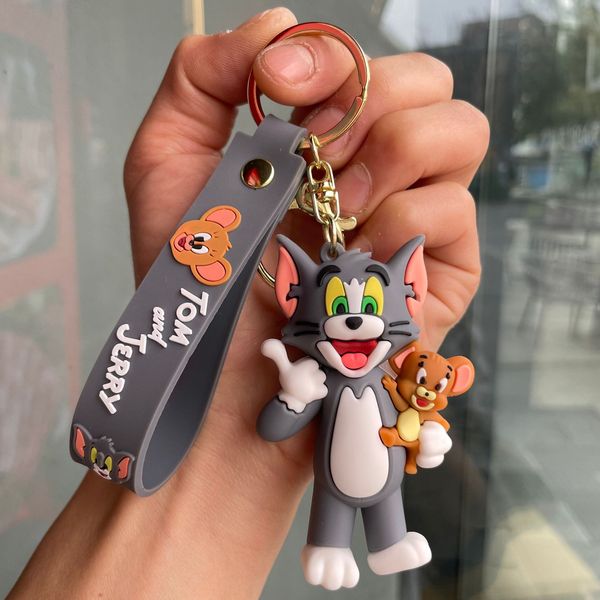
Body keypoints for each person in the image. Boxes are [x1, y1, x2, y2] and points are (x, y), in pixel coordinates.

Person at [9, 8, 488, 599]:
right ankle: (330, 542)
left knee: (386, 507)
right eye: (339, 304)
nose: (355, 321)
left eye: (372, 305)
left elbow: (411, 419)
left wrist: (426, 436)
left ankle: (388, 540)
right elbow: (272, 426)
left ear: (408, 290)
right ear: (291, 292)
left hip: (378, 476)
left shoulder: (391, 376)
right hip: (327, 486)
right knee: (335, 509)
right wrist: (292, 397)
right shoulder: (318, 369)